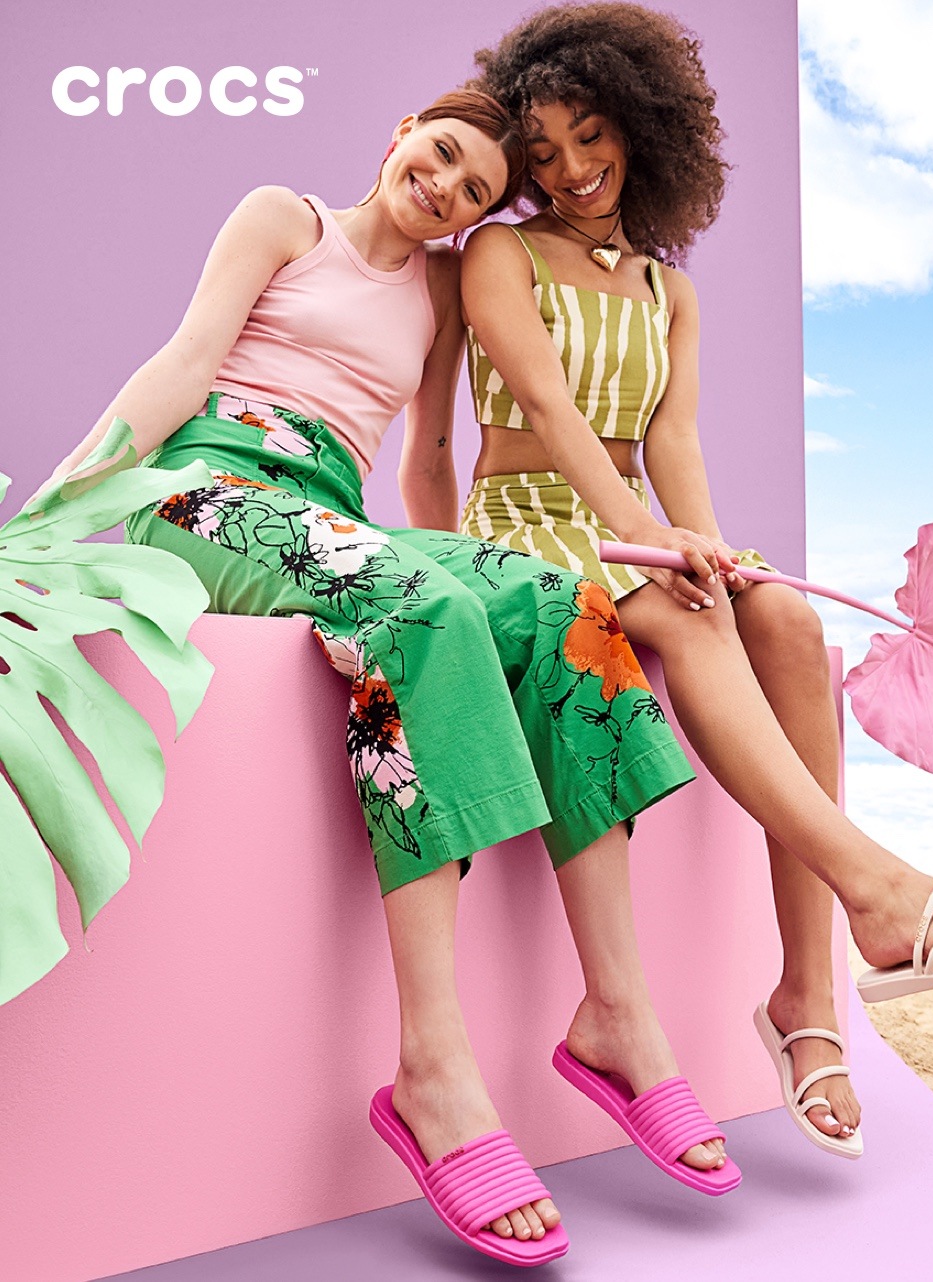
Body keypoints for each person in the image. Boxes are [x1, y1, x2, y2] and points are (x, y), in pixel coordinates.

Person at [43, 89, 739, 1268]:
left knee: (551, 599)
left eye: (476, 191)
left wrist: (483, 580)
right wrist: (59, 508)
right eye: (445, 157)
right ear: (405, 131)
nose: (450, 189)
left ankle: (619, 1011)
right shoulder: (286, 217)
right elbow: (186, 359)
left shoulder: (439, 294)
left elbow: (423, 461)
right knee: (414, 607)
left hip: (325, 509)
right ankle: (433, 1068)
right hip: (202, 491)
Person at [460, 3, 933, 1161]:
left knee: (785, 622)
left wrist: (707, 541)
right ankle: (883, 891)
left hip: (638, 522)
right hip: (532, 525)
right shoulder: (500, 254)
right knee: (684, 619)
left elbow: (677, 442)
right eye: (539, 151)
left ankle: (809, 1001)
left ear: (642, 128)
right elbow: (548, 409)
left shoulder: (667, 291)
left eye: (589, 135)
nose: (570, 168)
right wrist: (655, 541)